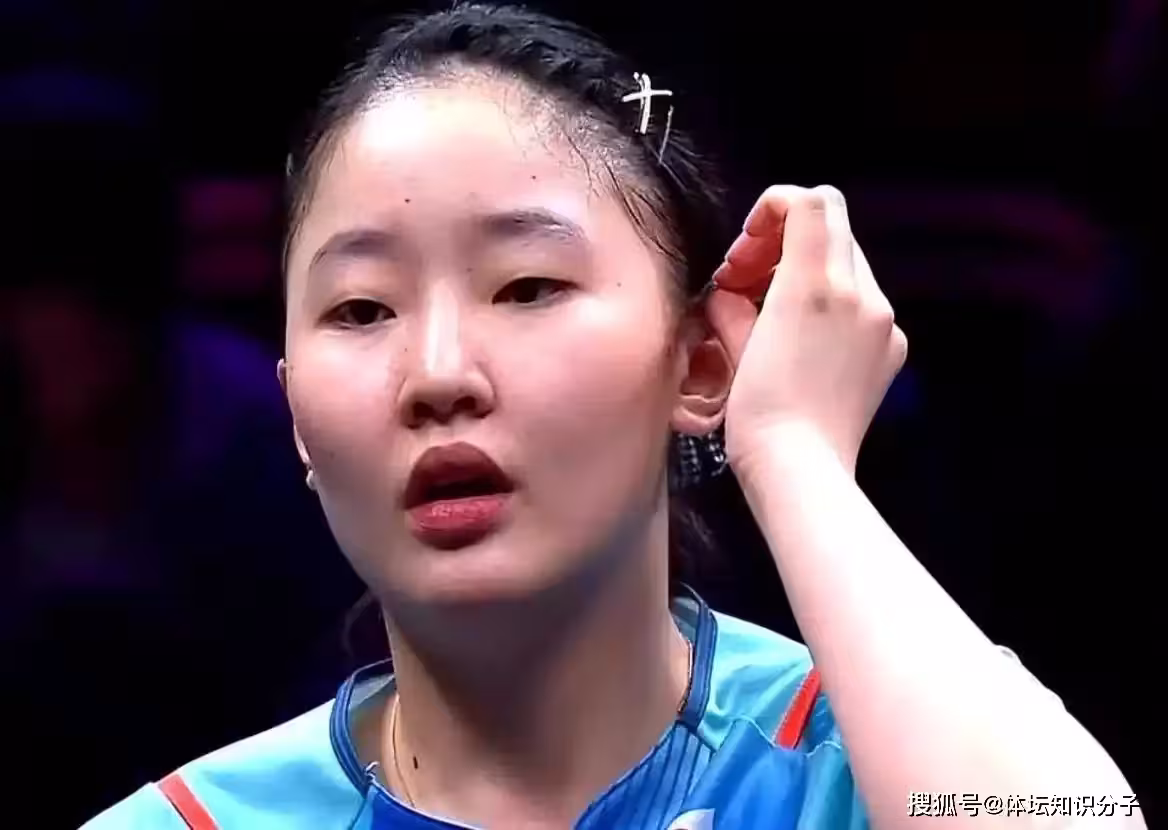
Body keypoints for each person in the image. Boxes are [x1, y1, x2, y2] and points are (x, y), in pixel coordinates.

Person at [83, 4, 1143, 828]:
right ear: (294, 416)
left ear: (701, 362)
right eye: (361, 309)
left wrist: (793, 453)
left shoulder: (859, 763)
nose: (437, 374)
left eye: (528, 286)